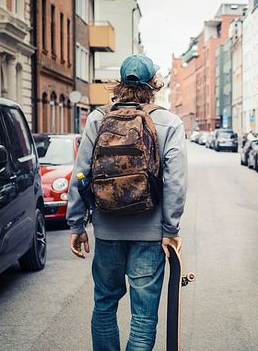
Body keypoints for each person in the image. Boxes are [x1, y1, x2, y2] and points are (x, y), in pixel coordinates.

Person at [66, 54, 188, 351]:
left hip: (107, 231)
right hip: (149, 235)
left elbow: (81, 173)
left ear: (119, 84)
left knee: (105, 303)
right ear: (154, 85)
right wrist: (170, 230)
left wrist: (77, 224)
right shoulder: (169, 122)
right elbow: (176, 181)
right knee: (144, 316)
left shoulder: (98, 118)